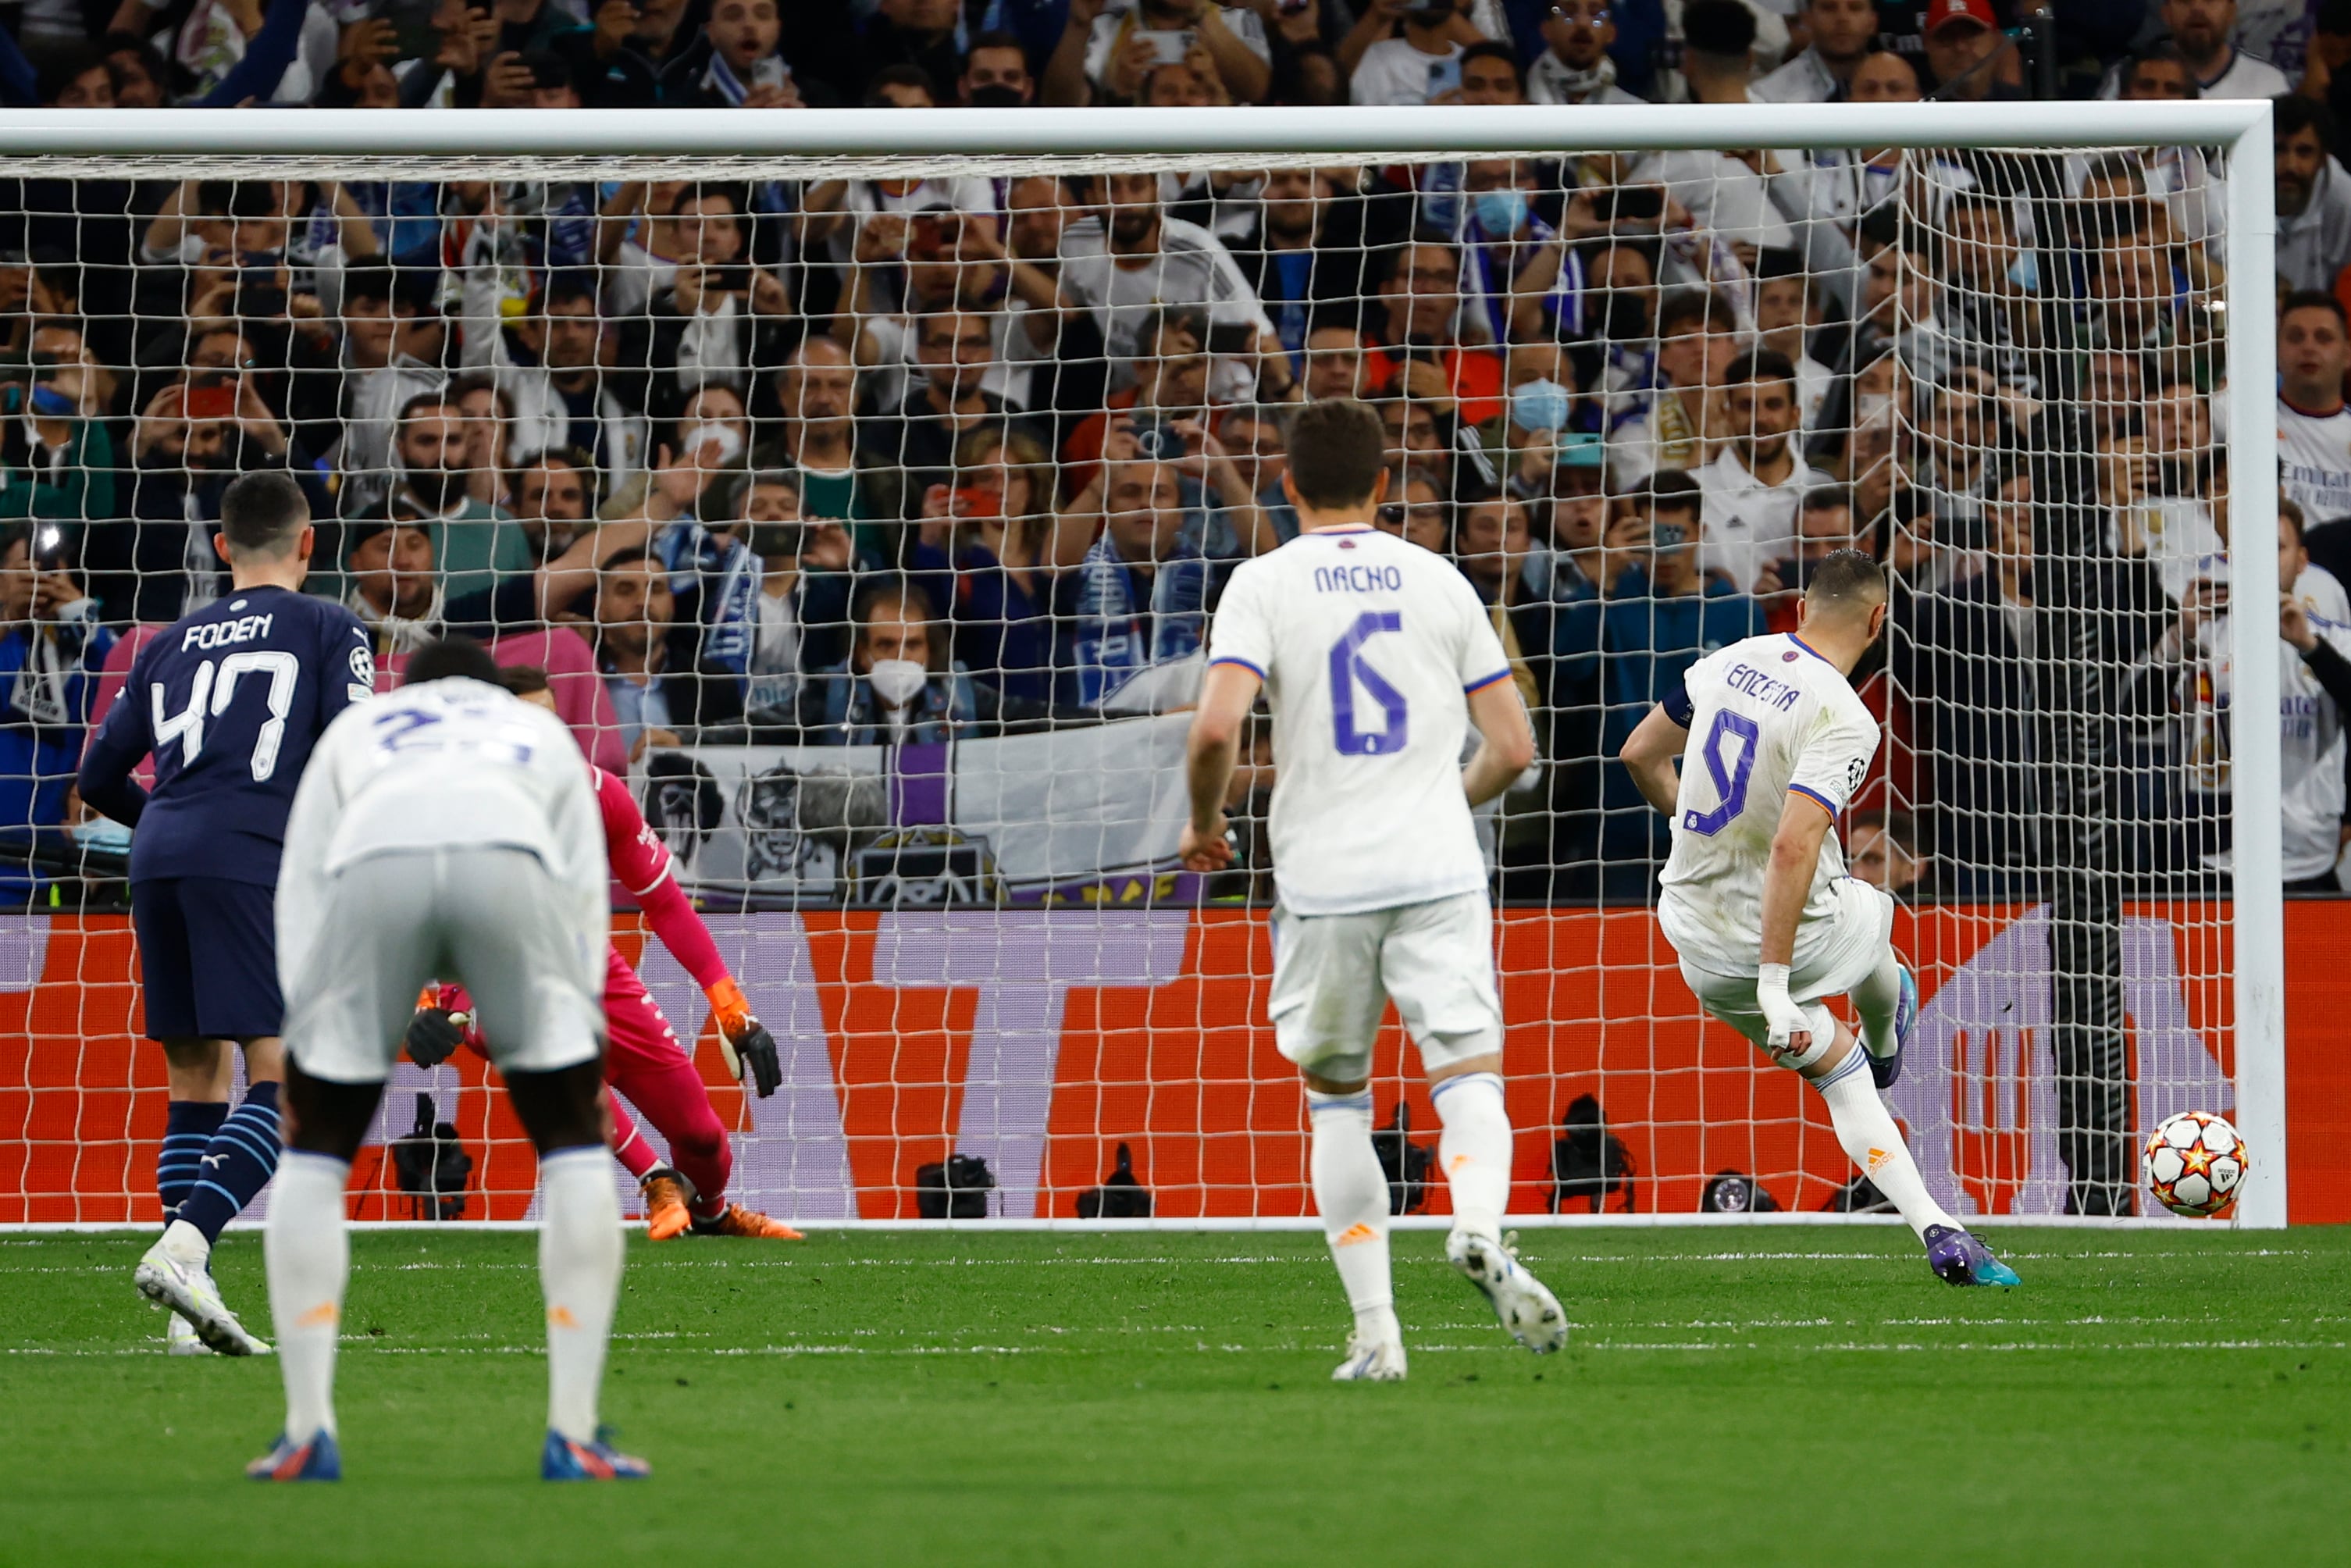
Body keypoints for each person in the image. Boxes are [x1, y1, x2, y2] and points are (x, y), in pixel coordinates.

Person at [1178, 397, 1565, 1382]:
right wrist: (1443, 796)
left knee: (1336, 1102)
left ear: (1289, 485)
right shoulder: (1440, 580)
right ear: (1385, 487)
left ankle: (1378, 1334)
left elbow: (1216, 730)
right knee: (1468, 1076)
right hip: (1437, 866)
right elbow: (1515, 748)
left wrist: (1204, 822)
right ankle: (1478, 1225)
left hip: (1323, 876)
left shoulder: (1259, 582)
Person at [253, 636, 642, 1483]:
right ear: (491, 690)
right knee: (574, 1143)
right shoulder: (530, 730)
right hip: (512, 863)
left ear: (407, 688)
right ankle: (572, 1432)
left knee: (316, 1153)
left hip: (371, 865)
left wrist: (305, 1021)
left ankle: (305, 1431)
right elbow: (585, 880)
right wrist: (581, 1041)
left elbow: (301, 875)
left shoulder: (362, 728)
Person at [1615, 549, 2022, 1288]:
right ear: (1876, 620)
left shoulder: (1732, 658)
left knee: (1841, 1079)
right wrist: (1777, 980)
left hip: (1697, 943)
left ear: (1800, 607)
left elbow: (1639, 753)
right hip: (1792, 940)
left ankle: (1942, 1230)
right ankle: (1885, 1016)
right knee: (1875, 911)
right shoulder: (1844, 713)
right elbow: (1794, 842)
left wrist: (1696, 828)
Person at [76, 472, 375, 1358]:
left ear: (220, 547)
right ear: (310, 542)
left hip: (157, 854)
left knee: (197, 1076)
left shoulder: (166, 641)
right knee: (294, 1077)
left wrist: (172, 826)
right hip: (251, 856)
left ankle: (186, 1315)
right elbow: (357, 751)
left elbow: (95, 780)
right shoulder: (330, 626)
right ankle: (188, 1244)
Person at [402, 665, 801, 1239]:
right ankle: (654, 1178)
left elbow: (665, 904)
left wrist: (732, 1008)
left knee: (703, 1137)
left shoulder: (595, 794)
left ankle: (711, 1210)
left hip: (594, 972)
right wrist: (423, 1004)